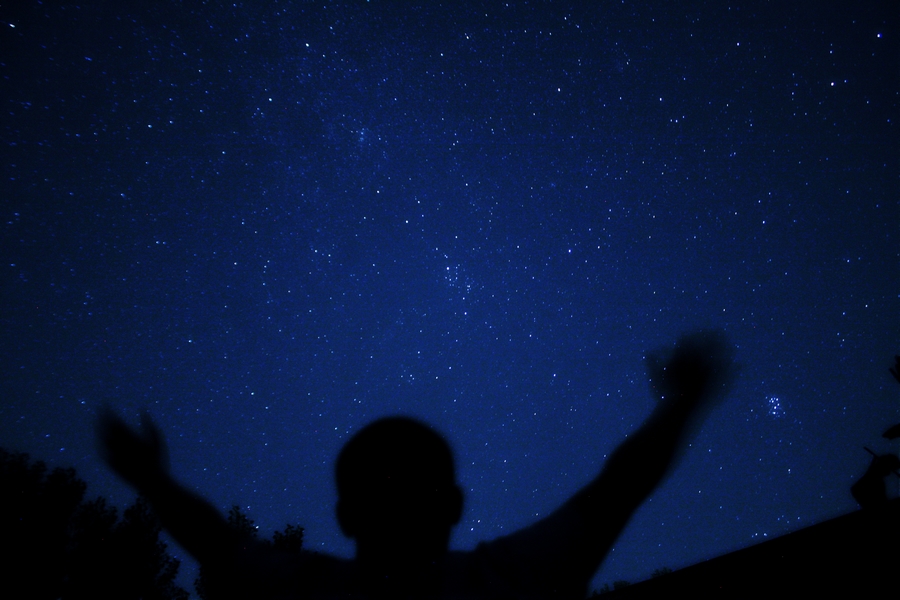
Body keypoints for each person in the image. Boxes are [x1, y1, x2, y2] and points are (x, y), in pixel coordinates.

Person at [99, 330, 735, 599]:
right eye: (385, 483)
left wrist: (149, 478)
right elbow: (615, 492)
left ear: (344, 516)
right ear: (455, 505)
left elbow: (215, 543)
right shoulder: (503, 585)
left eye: (410, 482)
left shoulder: (306, 592)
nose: (398, 493)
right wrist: (682, 402)